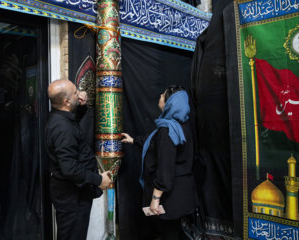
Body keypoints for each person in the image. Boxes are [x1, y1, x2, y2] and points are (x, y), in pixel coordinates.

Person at [121, 86, 197, 240]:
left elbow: (165, 169)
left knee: (168, 234)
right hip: (182, 194)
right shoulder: (181, 125)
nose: (160, 97)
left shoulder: (167, 130)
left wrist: (155, 199)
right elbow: (156, 145)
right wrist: (134, 140)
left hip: (169, 199)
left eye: (162, 95)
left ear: (170, 102)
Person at [45, 79, 112, 240]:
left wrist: (81, 105)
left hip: (72, 193)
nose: (79, 94)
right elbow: (70, 169)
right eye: (75, 92)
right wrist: (98, 180)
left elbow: (73, 121)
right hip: (71, 196)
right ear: (66, 101)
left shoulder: (60, 117)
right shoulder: (63, 128)